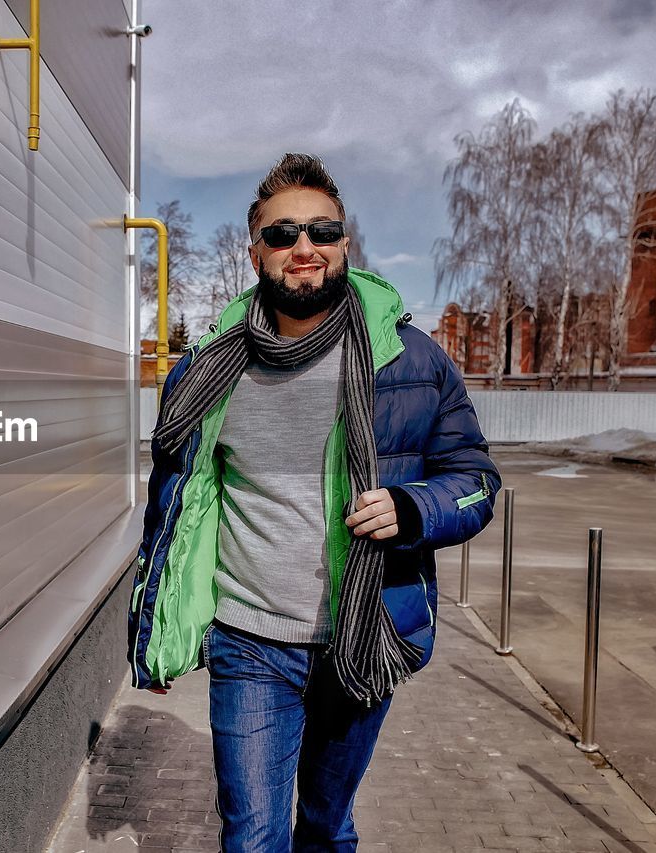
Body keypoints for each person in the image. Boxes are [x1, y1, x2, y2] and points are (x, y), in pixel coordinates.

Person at [127, 153, 500, 852]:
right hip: (250, 640)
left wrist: (415, 507)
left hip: (362, 635)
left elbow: (477, 479)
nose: (304, 247)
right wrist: (158, 632)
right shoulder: (207, 370)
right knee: (253, 836)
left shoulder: (411, 361)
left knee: (327, 827)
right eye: (283, 233)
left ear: (345, 243)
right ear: (254, 251)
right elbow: (173, 508)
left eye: (322, 231)